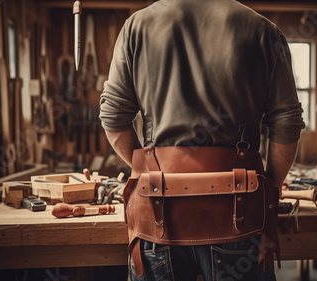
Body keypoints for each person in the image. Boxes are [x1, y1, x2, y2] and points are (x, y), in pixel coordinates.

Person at [99, 0, 305, 280]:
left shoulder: (136, 26)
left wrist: (150, 169)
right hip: (238, 216)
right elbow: (287, 124)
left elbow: (113, 117)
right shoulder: (263, 31)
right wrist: (270, 187)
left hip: (158, 215)